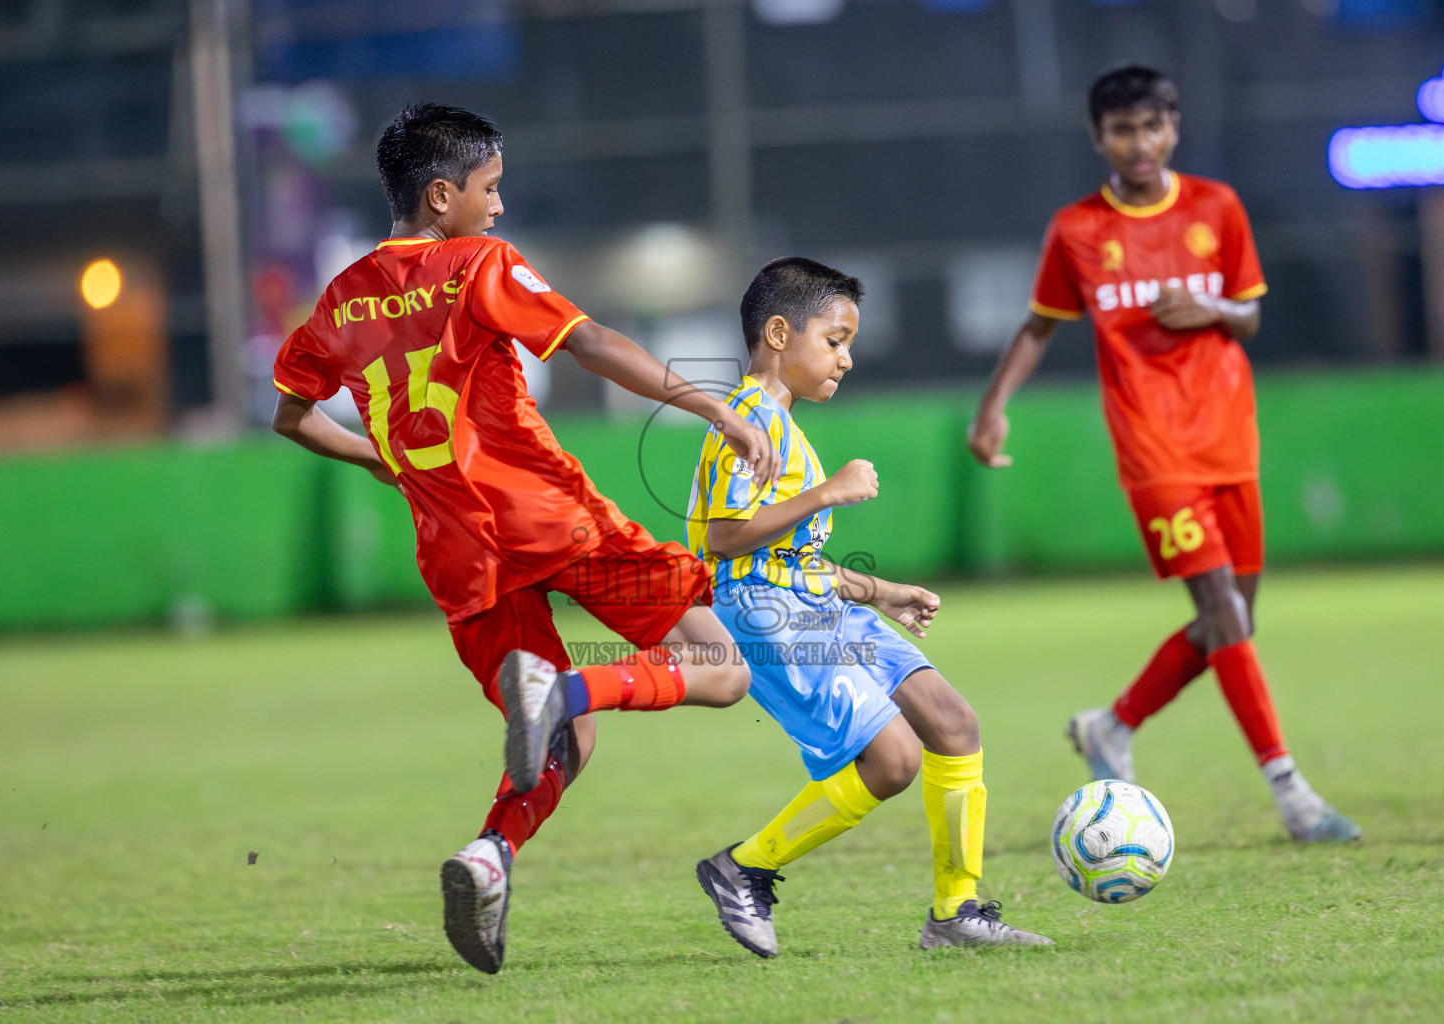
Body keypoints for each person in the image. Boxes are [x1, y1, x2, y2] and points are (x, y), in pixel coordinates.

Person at [270, 103, 781, 974]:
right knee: (723, 670)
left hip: (456, 555)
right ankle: (568, 691)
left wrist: (384, 460)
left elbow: (292, 415)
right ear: (441, 195)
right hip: (548, 518)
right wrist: (710, 407)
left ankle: (489, 855)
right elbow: (592, 345)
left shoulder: (341, 299)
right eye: (489, 189)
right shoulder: (479, 263)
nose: (499, 207)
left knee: (562, 752)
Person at [967, 66, 1359, 843]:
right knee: (1220, 611)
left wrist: (1210, 307)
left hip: (1228, 435)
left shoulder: (1217, 206)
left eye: (1151, 126)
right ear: (1097, 138)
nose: (1138, 143)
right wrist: (992, 408)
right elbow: (1040, 325)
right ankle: (1293, 795)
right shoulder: (1078, 229)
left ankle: (1113, 726)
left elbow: (1247, 315)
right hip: (1154, 447)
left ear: (1173, 128)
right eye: (1121, 130)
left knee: (1235, 618)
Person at [678, 257, 1051, 956]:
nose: (846, 358)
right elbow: (726, 542)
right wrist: (827, 493)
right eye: (836, 339)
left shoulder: (785, 428)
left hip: (814, 603)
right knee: (893, 760)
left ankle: (956, 912)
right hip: (765, 618)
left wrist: (886, 593)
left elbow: (792, 558)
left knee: (952, 721)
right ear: (781, 334)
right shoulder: (746, 421)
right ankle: (743, 867)